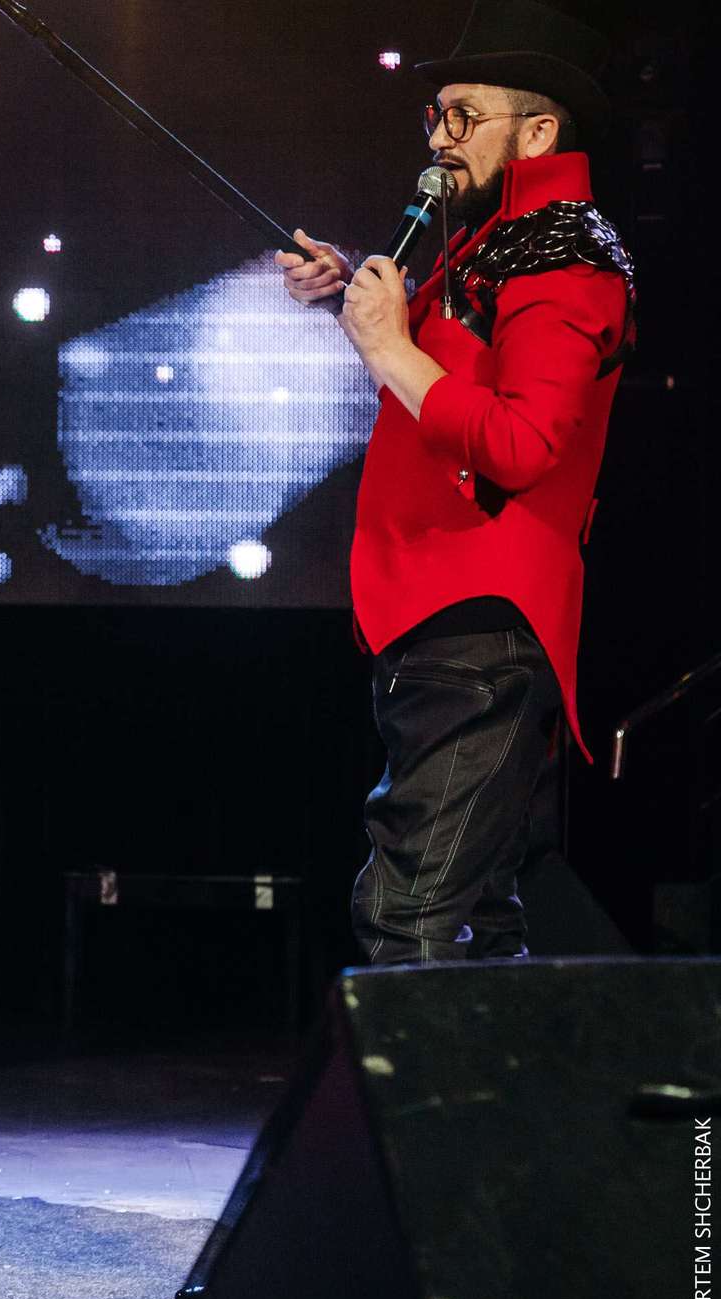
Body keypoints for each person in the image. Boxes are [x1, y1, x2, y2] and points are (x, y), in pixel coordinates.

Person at [275, 0, 633, 965]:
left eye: (464, 116)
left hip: (484, 621)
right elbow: (445, 378)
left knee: (411, 916)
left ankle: (416, 1076)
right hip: (445, 615)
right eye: (437, 114)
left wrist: (388, 344)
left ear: (539, 132)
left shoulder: (563, 255)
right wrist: (352, 299)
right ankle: (493, 1074)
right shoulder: (495, 238)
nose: (439, 137)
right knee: (480, 922)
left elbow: (520, 442)